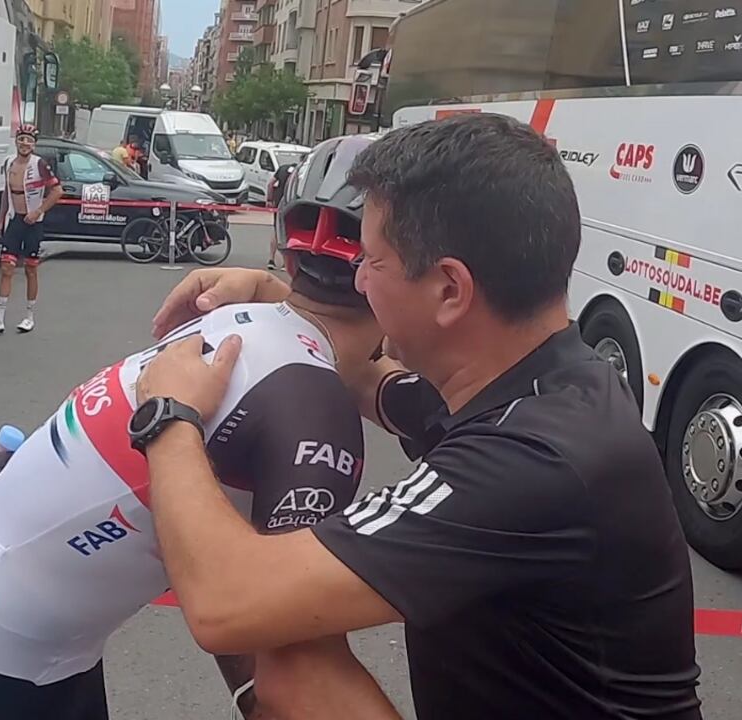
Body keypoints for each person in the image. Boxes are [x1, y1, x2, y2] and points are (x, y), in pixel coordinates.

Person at [135, 118, 704, 719]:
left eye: (372, 261)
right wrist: (284, 306)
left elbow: (226, 602)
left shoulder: (532, 461)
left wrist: (168, 414)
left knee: (295, 660)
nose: (356, 279)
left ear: (450, 290)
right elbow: (371, 381)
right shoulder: (543, 384)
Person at [0, 176, 402, 720]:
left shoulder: (238, 320)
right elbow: (292, 669)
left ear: (287, 260)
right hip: (0, 673)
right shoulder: (312, 406)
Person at [0, 125, 63, 336]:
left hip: (34, 223)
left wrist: (38, 211)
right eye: (22, 139)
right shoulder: (9, 162)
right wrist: (0, 221)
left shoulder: (40, 164)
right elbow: (7, 196)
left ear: (34, 144)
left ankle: (29, 316)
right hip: (15, 221)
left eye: (29, 140)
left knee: (30, 269)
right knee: (7, 268)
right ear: (16, 141)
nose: (25, 143)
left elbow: (57, 191)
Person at [265, 162, 298, 271]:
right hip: (291, 202)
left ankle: (271, 259)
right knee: (287, 232)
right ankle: (285, 263)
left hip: (278, 203)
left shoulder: (282, 169)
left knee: (276, 230)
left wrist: (269, 199)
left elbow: (270, 184)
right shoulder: (299, 171)